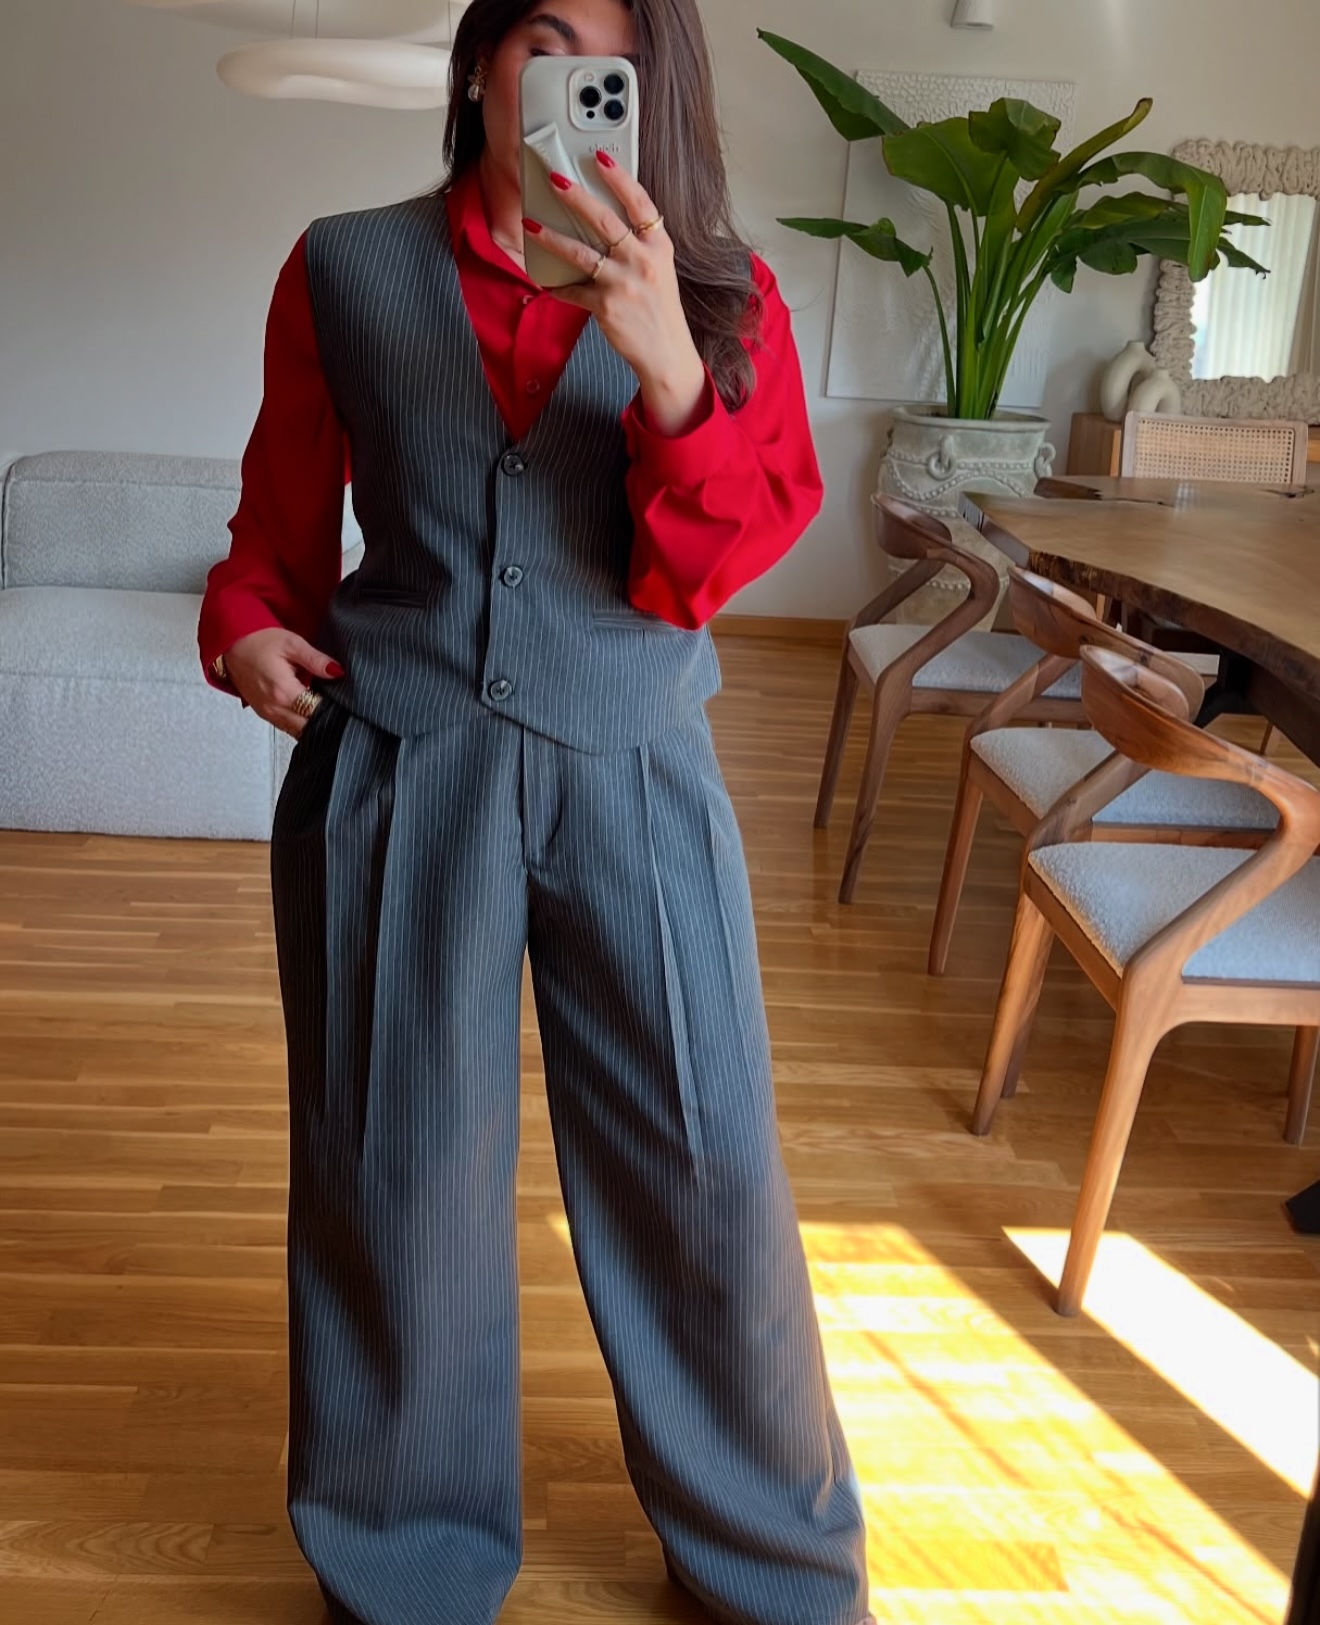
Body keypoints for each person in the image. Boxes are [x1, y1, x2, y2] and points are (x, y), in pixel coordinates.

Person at [198, 2, 873, 1621]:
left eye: (604, 60)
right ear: (481, 60)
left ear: (648, 92)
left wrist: (668, 371)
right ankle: (406, 1563)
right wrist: (246, 625)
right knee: (398, 1172)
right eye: (539, 37)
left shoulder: (723, 293)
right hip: (403, 757)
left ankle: (775, 1565)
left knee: (706, 1166)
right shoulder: (345, 266)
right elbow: (276, 530)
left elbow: (709, 571)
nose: (562, 80)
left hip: (635, 761)